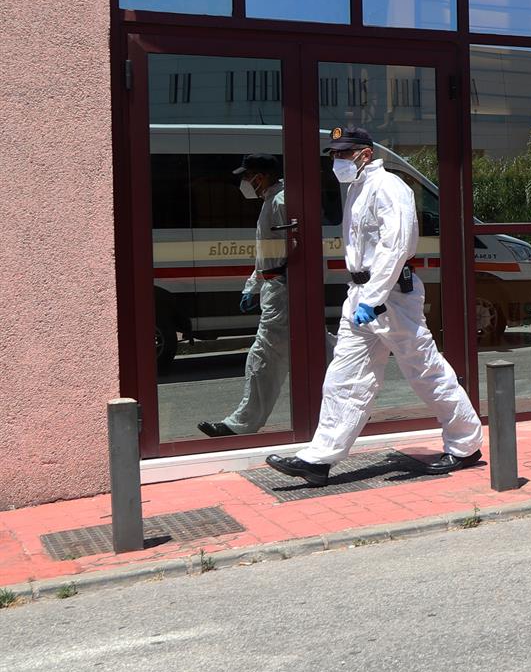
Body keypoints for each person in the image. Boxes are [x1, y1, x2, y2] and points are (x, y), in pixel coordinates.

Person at [265, 128, 483, 484]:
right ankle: (319, 459)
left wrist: (372, 298)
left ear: (364, 153)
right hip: (362, 295)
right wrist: (362, 297)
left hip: (390, 297)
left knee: (424, 371)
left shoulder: (390, 188)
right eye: (334, 154)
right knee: (343, 378)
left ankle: (465, 444)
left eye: (343, 154)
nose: (337, 161)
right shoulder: (357, 189)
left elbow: (395, 247)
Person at [199, 154, 291, 438]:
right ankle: (355, 407)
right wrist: (253, 286)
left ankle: (239, 425)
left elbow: (289, 251)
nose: (244, 182)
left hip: (282, 292)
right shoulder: (271, 202)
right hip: (276, 288)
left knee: (262, 356)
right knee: (320, 352)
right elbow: (266, 256)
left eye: (247, 176)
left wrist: (274, 283)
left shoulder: (280, 202)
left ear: (260, 177)